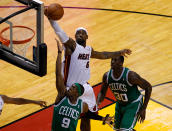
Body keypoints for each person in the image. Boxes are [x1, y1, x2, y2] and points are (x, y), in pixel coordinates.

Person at [45, 10, 132, 131]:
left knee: (87, 116)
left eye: (82, 33)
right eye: (77, 33)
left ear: (87, 36)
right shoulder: (72, 46)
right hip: (71, 88)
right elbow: (60, 32)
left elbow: (103, 55)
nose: (80, 34)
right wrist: (51, 19)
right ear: (75, 37)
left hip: (85, 87)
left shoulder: (89, 50)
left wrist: (119, 52)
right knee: (73, 114)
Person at [52, 39, 113, 131]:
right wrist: (60, 52)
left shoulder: (82, 105)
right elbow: (58, 74)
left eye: (73, 88)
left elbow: (88, 114)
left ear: (77, 94)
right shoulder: (62, 96)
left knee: (86, 121)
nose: (69, 89)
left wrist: (102, 119)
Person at [97, 56, 152, 131]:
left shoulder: (131, 76)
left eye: (115, 60)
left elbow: (148, 87)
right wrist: (97, 103)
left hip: (133, 104)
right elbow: (102, 92)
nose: (112, 62)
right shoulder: (106, 76)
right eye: (112, 60)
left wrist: (143, 108)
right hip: (120, 105)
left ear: (121, 63)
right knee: (117, 129)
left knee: (124, 130)